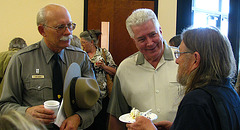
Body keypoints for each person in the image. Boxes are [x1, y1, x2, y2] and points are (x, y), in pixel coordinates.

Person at [0, 4, 101, 130]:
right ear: (42, 30)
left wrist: (79, 118)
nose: (68, 32)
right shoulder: (21, 60)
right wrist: (26, 113)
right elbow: (4, 106)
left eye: (70, 25)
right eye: (60, 27)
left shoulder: (80, 58)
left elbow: (96, 101)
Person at [126, 27, 240, 130]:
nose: (177, 60)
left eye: (180, 54)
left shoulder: (195, 101)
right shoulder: (230, 93)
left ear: (195, 59)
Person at [107, 8, 183, 130]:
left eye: (153, 35)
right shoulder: (125, 69)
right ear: (134, 41)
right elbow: (116, 116)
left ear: (161, 31)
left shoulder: (183, 61)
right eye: (142, 39)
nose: (150, 43)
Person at [80, 29, 117, 130]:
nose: (82, 45)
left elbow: (115, 71)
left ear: (91, 42)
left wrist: (104, 67)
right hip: (86, 98)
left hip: (102, 96)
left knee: (101, 125)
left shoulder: (104, 53)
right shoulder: (80, 55)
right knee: (87, 125)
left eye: (83, 42)